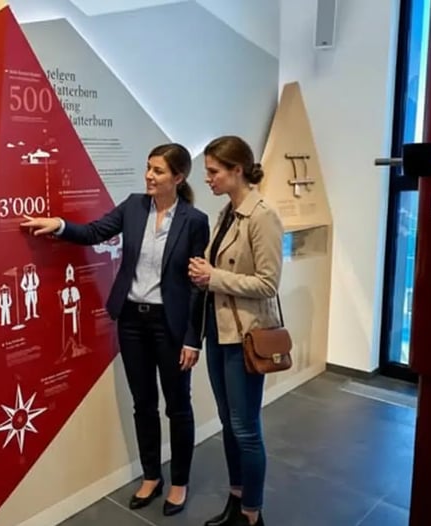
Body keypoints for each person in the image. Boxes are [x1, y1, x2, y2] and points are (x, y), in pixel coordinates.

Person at [21, 143, 209, 516]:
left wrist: (193, 339)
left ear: (178, 177)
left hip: (170, 326)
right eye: (148, 168)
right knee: (143, 405)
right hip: (132, 322)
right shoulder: (134, 206)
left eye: (157, 171)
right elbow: (93, 232)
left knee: (178, 407)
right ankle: (152, 475)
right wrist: (57, 225)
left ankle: (180, 482)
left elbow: (197, 285)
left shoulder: (195, 220)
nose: (149, 176)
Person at [188, 136, 283, 526]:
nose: (207, 179)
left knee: (245, 429)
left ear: (236, 170)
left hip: (245, 336)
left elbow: (268, 283)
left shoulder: (262, 215)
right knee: (230, 425)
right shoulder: (227, 212)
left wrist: (214, 277)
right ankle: (236, 502)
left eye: (213, 171)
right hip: (219, 331)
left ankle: (251, 515)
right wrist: (203, 276)